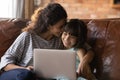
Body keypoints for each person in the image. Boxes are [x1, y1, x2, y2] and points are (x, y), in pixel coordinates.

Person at [0, 3, 67, 80]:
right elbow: (5, 60)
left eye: (64, 25)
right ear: (49, 26)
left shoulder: (59, 41)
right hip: (19, 74)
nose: (63, 30)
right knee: (26, 75)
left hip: (39, 77)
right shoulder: (28, 36)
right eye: (60, 27)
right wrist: (24, 69)